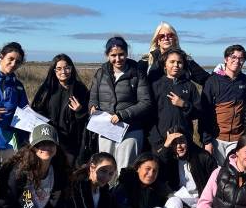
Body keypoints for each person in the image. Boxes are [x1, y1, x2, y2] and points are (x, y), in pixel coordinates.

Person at [89, 36, 153, 175]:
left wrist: (122, 115)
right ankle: (106, 196)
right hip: (106, 130)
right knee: (105, 169)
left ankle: (123, 196)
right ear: (107, 55)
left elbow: (146, 103)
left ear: (127, 53)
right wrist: (92, 107)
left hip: (131, 130)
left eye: (121, 54)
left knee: (125, 170)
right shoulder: (101, 73)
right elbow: (93, 97)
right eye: (113, 55)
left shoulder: (137, 73)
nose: (118, 59)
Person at [30, 54, 90, 165]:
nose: (63, 71)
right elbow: (36, 111)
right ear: (54, 70)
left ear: (71, 69)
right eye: (59, 68)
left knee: (67, 173)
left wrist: (79, 111)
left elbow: (87, 119)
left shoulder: (80, 89)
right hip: (48, 140)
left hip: (70, 143)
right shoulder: (47, 88)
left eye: (67, 68)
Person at [199, 44, 246, 165]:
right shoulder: (213, 81)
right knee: (216, 174)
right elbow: (204, 112)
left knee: (235, 172)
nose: (237, 61)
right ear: (226, 59)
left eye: (241, 58)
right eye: (233, 57)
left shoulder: (245, 81)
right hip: (217, 139)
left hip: (238, 139)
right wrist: (207, 141)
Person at [148, 48, 201, 151]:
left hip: (184, 141)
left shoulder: (190, 86)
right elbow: (149, 116)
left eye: (179, 62)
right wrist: (156, 140)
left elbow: (198, 112)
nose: (176, 65)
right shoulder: (156, 85)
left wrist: (184, 104)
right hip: (161, 141)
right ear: (165, 65)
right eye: (172, 62)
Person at [156, 127, 217, 208]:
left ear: (188, 141)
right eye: (174, 143)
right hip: (180, 201)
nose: (179, 146)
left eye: (181, 141)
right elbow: (157, 169)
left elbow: (215, 183)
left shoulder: (203, 157)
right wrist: (165, 147)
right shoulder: (170, 160)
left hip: (202, 201)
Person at [138, 21, 210, 85]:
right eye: (162, 36)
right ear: (157, 41)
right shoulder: (146, 61)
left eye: (170, 35)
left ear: (175, 39)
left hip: (181, 99)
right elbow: (137, 86)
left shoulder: (185, 59)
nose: (166, 38)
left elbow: (206, 80)